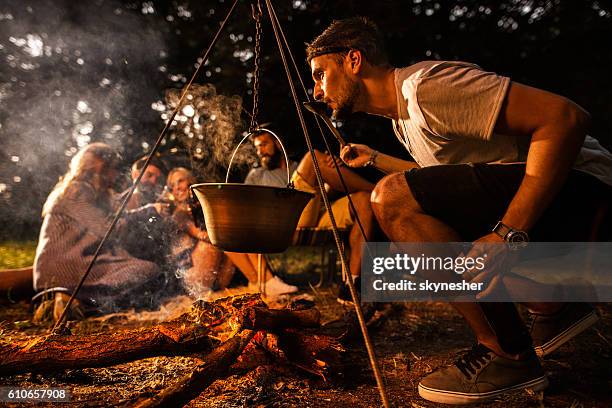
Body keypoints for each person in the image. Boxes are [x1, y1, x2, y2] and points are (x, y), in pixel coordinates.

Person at [306, 17, 612, 404]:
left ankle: (507, 353)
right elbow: (436, 185)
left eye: (320, 75)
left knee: (391, 203)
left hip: (588, 195)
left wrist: (507, 234)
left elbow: (566, 118)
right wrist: (376, 159)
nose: (316, 92)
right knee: (413, 241)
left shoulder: (427, 87)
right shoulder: (404, 122)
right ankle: (552, 304)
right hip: (557, 204)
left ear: (354, 60)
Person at [33, 143, 168, 317]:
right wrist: (150, 211)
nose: (116, 174)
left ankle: (76, 300)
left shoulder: (95, 193)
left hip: (78, 262)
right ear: (101, 169)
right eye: (113, 169)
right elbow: (109, 229)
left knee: (149, 273)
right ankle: (70, 299)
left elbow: (118, 217)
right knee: (147, 271)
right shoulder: (75, 192)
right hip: (65, 269)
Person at [245, 129, 377, 304]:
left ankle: (351, 284)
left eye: (263, 144)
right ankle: (378, 187)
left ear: (277, 143)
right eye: (257, 147)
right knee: (313, 157)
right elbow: (246, 206)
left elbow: (323, 196)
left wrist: (332, 169)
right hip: (284, 221)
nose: (260, 151)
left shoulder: (296, 168)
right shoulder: (257, 175)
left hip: (316, 215)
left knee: (363, 200)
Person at [167, 167, 298, 298]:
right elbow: (200, 234)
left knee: (236, 233)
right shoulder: (179, 214)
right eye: (173, 185)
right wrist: (225, 234)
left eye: (180, 181)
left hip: (217, 277)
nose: (177, 187)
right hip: (192, 279)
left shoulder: (197, 207)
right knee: (224, 236)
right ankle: (264, 281)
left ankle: (261, 281)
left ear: (191, 182)